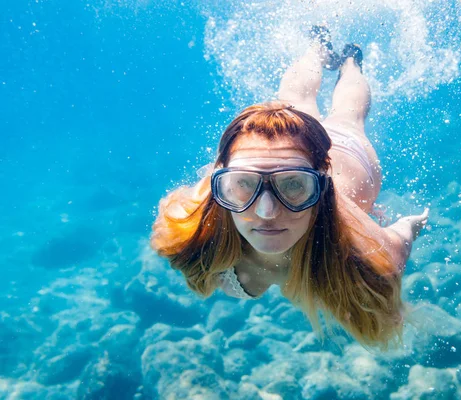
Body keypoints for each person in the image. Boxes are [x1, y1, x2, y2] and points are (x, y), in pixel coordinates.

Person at [151, 26, 429, 349]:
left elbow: (395, 247)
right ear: (222, 186)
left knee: (347, 116)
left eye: (294, 186)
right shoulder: (198, 230)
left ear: (321, 190)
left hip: (348, 158)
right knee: (293, 100)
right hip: (286, 151)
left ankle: (352, 61)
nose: (267, 212)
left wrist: (409, 227)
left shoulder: (361, 256)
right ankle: (317, 49)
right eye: (243, 184)